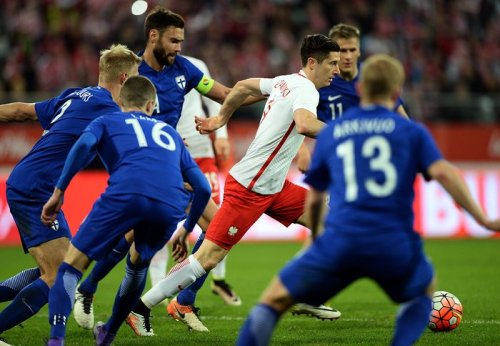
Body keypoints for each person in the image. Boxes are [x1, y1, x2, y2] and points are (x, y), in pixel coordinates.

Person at [235, 54, 500, 346]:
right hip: (393, 242)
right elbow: (445, 173)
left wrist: (318, 241)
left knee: (273, 301)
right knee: (425, 292)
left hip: (342, 239)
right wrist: (482, 218)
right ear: (397, 91)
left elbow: (315, 198)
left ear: (361, 90)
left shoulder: (334, 132)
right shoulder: (411, 131)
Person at [126, 33, 342, 334]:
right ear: (312, 62)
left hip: (275, 187)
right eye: (332, 63)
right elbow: (305, 123)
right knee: (207, 258)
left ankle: (306, 293)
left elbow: (242, 87)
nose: (337, 69)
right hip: (251, 188)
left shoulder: (284, 81)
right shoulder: (306, 89)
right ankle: (140, 308)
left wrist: (220, 120)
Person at [73, 7, 250, 335]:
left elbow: (224, 93)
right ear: (152, 36)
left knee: (218, 226)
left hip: (172, 159)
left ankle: (177, 298)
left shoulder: (185, 70)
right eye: (173, 40)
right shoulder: (132, 73)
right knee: (133, 239)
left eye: (182, 41)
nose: (179, 47)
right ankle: (93, 290)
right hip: (139, 166)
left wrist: (268, 94)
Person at [43, 75, 212, 346]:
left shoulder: (107, 121)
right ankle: (107, 335)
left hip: (126, 193)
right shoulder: (168, 132)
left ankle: (56, 340)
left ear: (120, 101)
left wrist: (59, 190)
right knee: (137, 264)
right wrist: (187, 230)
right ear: (150, 105)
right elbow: (203, 187)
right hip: (169, 205)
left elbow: (84, 145)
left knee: (70, 266)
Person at [0, 44, 141, 338]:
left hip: (32, 183)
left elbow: (20, 111)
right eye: (137, 76)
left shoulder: (75, 95)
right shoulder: (110, 109)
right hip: (35, 189)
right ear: (125, 78)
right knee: (58, 276)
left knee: (55, 269)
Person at [296, 23, 408, 173]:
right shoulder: (321, 80)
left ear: (359, 51)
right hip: (332, 159)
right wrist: (302, 151)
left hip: (369, 159)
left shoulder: (372, 77)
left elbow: (401, 116)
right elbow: (294, 117)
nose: (348, 56)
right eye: (343, 51)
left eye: (352, 50)